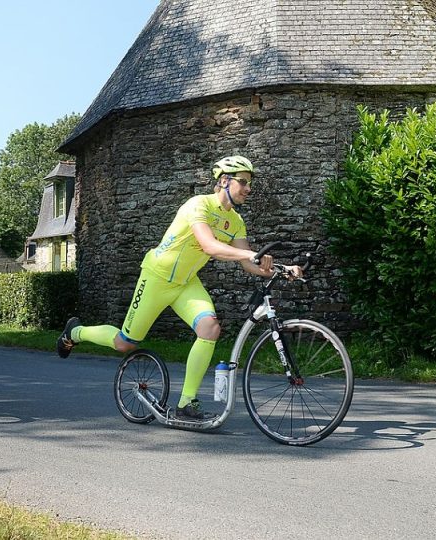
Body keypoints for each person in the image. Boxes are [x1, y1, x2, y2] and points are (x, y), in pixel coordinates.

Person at [56, 155, 303, 419]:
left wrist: (281, 268)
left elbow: (248, 263)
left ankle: (187, 402)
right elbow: (209, 246)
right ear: (224, 181)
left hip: (186, 283)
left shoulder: (236, 221)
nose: (248, 189)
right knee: (124, 344)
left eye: (249, 183)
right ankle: (76, 332)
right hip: (157, 277)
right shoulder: (198, 205)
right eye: (243, 182)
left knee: (210, 328)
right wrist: (251, 255)